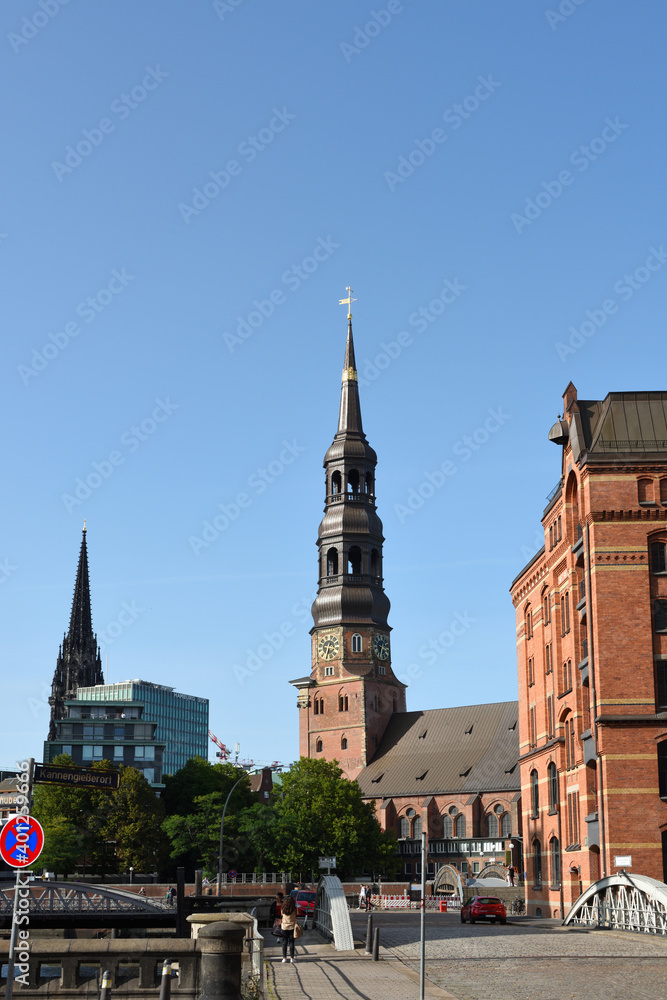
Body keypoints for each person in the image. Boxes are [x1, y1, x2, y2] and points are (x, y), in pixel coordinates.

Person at [280, 895, 298, 963]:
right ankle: (292, 958)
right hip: (292, 927)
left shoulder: (283, 908)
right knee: (292, 942)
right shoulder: (294, 909)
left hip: (284, 927)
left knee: (284, 943)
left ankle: (284, 958)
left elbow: (282, 915)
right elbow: (297, 915)